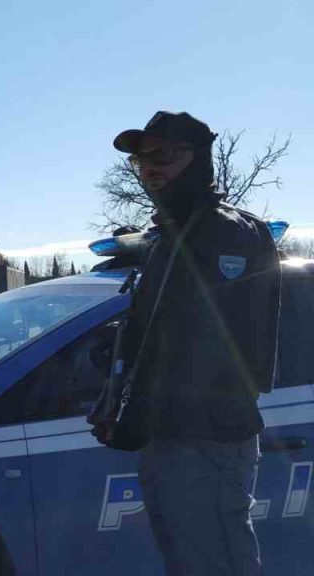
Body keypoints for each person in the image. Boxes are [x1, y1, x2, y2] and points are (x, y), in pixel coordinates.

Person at [95, 111, 281, 575]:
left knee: (216, 563)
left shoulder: (225, 232)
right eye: (142, 160)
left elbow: (216, 342)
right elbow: (162, 329)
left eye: (165, 156)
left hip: (208, 438)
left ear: (199, 160)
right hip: (172, 437)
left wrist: (146, 402)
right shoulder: (171, 235)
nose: (150, 167)